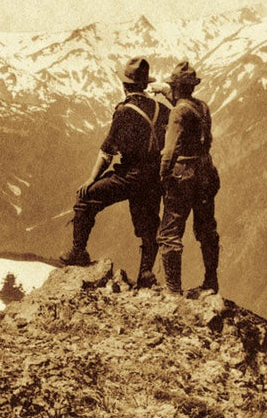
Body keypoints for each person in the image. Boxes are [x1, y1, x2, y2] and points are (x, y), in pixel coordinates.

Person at [60, 56, 171, 288]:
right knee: (149, 226)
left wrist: (91, 179)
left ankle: (78, 252)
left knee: (86, 198)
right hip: (153, 178)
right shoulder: (161, 109)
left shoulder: (124, 111)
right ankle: (146, 273)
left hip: (129, 176)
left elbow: (107, 152)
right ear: (145, 84)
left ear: (125, 85)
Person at [157, 62, 221, 296]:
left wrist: (163, 174)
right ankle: (211, 281)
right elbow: (184, 106)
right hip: (206, 171)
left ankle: (173, 289)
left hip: (183, 174)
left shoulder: (177, 113)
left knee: (170, 232)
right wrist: (165, 92)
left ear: (177, 87)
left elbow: (169, 150)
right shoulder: (202, 107)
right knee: (206, 229)